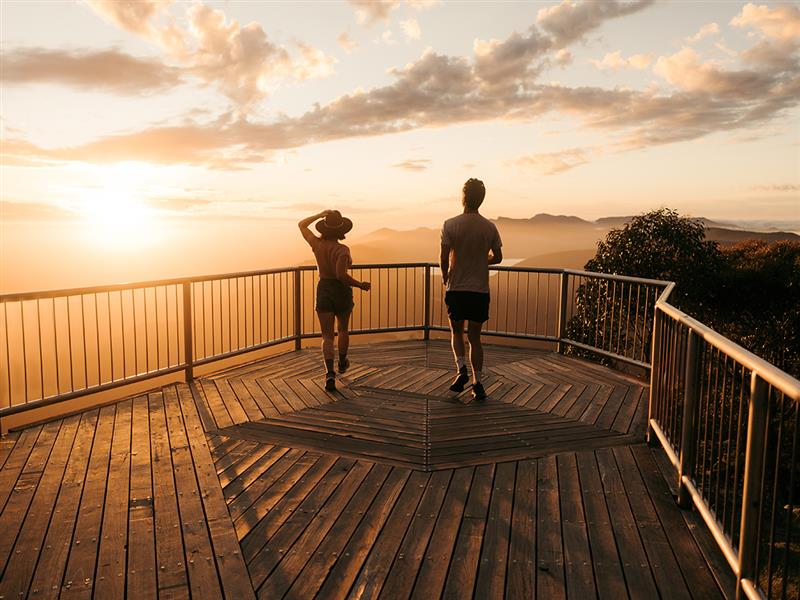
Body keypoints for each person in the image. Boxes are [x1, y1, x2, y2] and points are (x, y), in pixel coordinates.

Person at [439, 178, 503, 400]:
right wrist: (482, 260)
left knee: (456, 332)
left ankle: (461, 369)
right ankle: (477, 382)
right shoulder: (489, 227)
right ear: (481, 199)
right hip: (480, 290)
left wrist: (446, 277)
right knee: (475, 338)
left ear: (463, 196)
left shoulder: (450, 224)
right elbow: (499, 257)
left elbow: (443, 258)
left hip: (456, 288)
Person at [299, 210, 371, 391]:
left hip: (324, 288)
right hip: (341, 292)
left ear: (324, 228)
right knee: (343, 329)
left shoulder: (316, 244)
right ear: (341, 230)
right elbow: (341, 275)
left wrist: (319, 215)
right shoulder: (342, 250)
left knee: (327, 335)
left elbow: (301, 224)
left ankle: (329, 373)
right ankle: (342, 361)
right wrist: (360, 284)